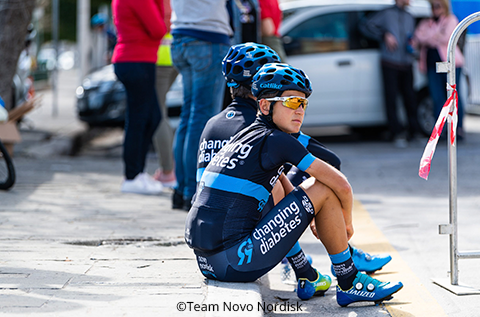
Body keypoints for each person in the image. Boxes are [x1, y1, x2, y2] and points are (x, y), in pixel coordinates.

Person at [185, 62, 403, 306]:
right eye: (290, 102)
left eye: (303, 103)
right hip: (232, 263)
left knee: (292, 189)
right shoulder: (277, 140)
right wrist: (347, 224)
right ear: (265, 105)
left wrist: (307, 215)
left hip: (208, 263)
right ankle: (349, 280)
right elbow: (341, 184)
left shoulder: (247, 135)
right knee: (323, 187)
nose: (299, 110)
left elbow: (281, 185)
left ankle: (307, 273)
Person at [170, 0, 232, 210]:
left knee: (188, 116)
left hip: (180, 36)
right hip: (207, 37)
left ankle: (181, 189)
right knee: (202, 118)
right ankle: (193, 191)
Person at [111, 0, 166, 195]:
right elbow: (159, 29)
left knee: (151, 118)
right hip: (136, 61)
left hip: (138, 60)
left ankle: (138, 172)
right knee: (138, 120)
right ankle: (131, 176)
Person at [359, 0, 420, 147]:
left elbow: (414, 36)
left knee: (410, 98)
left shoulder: (410, 16)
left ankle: (414, 132)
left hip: (407, 63)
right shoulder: (386, 13)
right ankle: (396, 133)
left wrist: (414, 44)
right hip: (390, 63)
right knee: (391, 98)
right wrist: (384, 35)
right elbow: (365, 25)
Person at [413, 0, 465, 140]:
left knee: (453, 96)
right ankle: (440, 131)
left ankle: (457, 129)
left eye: (438, 5)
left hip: (450, 64)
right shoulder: (426, 22)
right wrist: (434, 36)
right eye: (433, 6)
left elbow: (447, 37)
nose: (435, 9)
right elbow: (417, 37)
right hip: (432, 65)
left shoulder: (450, 19)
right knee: (437, 98)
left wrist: (428, 37)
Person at [152, 0, 178, 188]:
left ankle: (168, 171)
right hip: (174, 53)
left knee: (158, 114)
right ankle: (169, 169)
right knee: (162, 114)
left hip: (160, 56)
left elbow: (156, 25)